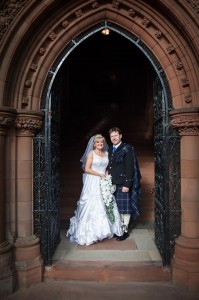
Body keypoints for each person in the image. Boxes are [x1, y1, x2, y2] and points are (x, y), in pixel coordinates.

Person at [66, 134, 123, 246]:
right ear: (94, 144)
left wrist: (106, 174)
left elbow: (108, 167)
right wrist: (100, 174)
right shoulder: (91, 154)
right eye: (97, 143)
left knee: (106, 202)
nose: (100, 144)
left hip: (103, 181)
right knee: (93, 204)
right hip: (93, 181)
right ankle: (92, 233)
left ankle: (105, 230)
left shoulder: (107, 153)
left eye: (101, 142)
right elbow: (86, 169)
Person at [107, 127, 142, 241]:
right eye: (112, 136)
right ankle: (117, 229)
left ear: (120, 136)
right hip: (112, 183)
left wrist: (127, 184)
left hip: (123, 183)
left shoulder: (127, 148)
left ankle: (124, 231)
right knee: (116, 208)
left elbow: (130, 168)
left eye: (116, 135)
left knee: (124, 209)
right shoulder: (110, 149)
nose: (114, 138)